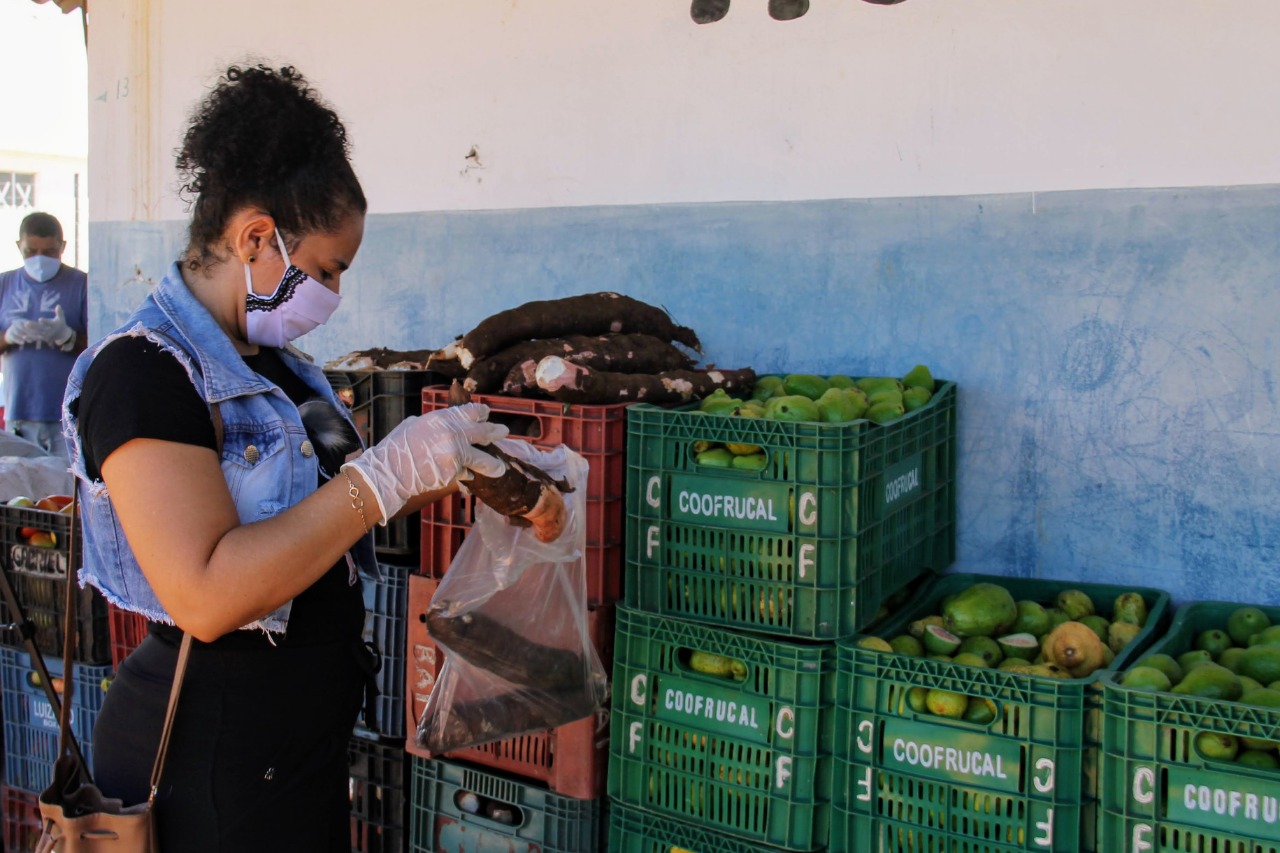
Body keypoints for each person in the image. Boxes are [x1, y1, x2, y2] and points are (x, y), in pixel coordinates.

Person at [62, 64, 508, 851]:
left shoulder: (278, 368)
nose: (333, 292)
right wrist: (380, 478)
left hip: (297, 741)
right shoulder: (141, 373)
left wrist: (452, 460)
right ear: (256, 238)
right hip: (211, 752)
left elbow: (330, 514)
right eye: (327, 270)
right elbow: (206, 593)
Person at [1, 211, 87, 456]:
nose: (39, 259)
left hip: (69, 414)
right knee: (21, 478)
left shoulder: (82, 284)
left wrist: (69, 337)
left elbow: (102, 346)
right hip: (19, 412)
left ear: (62, 247)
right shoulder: (5, 284)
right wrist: (7, 338)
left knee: (66, 478)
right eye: (31, 251)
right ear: (19, 246)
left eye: (49, 252)